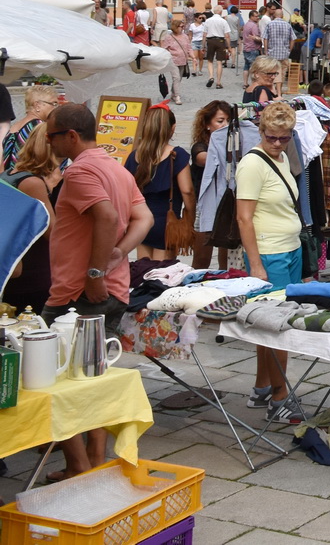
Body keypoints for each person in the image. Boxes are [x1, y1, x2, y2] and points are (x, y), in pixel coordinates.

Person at [43, 103, 151, 476]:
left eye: (51, 135)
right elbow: (142, 218)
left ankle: (79, 465)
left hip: (78, 292)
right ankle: (94, 461)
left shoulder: (81, 170)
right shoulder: (114, 167)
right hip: (107, 288)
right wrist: (119, 252)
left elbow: (106, 215)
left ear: (71, 136)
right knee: (92, 377)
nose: (48, 142)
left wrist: (94, 272)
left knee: (55, 380)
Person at [236, 100, 309, 423]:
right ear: (261, 131)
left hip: (289, 249)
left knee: (269, 324)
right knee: (279, 327)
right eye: (272, 137)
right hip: (269, 252)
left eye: (284, 137)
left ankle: (263, 386)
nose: (278, 143)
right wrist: (256, 264)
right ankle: (279, 398)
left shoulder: (281, 158)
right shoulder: (253, 164)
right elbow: (244, 218)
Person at [3, 126, 62, 312]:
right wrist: (53, 187)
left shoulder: (9, 174)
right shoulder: (33, 183)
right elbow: (53, 232)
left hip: (16, 268)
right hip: (32, 273)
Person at [123, 106, 191, 261]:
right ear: (172, 128)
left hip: (141, 222)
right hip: (167, 222)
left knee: (144, 270)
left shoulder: (134, 156)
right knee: (163, 272)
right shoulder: (177, 155)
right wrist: (190, 216)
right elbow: (187, 190)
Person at [188, 101, 236, 271]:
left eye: (228, 121)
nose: (225, 125)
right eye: (220, 121)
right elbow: (203, 158)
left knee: (226, 257)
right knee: (201, 259)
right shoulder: (200, 147)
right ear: (207, 125)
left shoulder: (235, 145)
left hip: (227, 204)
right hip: (205, 206)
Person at [4, 88, 59, 172]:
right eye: (53, 104)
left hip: (8, 177)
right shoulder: (39, 127)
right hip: (28, 177)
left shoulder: (15, 126)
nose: (56, 108)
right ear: (37, 105)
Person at [161, 16, 192, 105]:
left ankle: (173, 94)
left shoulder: (185, 36)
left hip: (183, 61)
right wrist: (168, 56)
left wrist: (193, 57)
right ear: (175, 27)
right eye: (181, 26)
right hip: (173, 61)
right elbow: (164, 48)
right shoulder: (169, 37)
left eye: (183, 26)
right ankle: (177, 97)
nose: (183, 28)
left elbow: (189, 48)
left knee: (179, 79)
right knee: (176, 78)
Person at [202, 8, 231, 89]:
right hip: (220, 41)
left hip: (210, 41)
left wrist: (203, 45)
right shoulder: (223, 21)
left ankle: (211, 76)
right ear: (221, 12)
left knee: (210, 60)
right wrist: (229, 46)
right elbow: (227, 35)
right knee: (219, 62)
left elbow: (204, 34)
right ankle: (218, 82)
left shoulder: (208, 21)